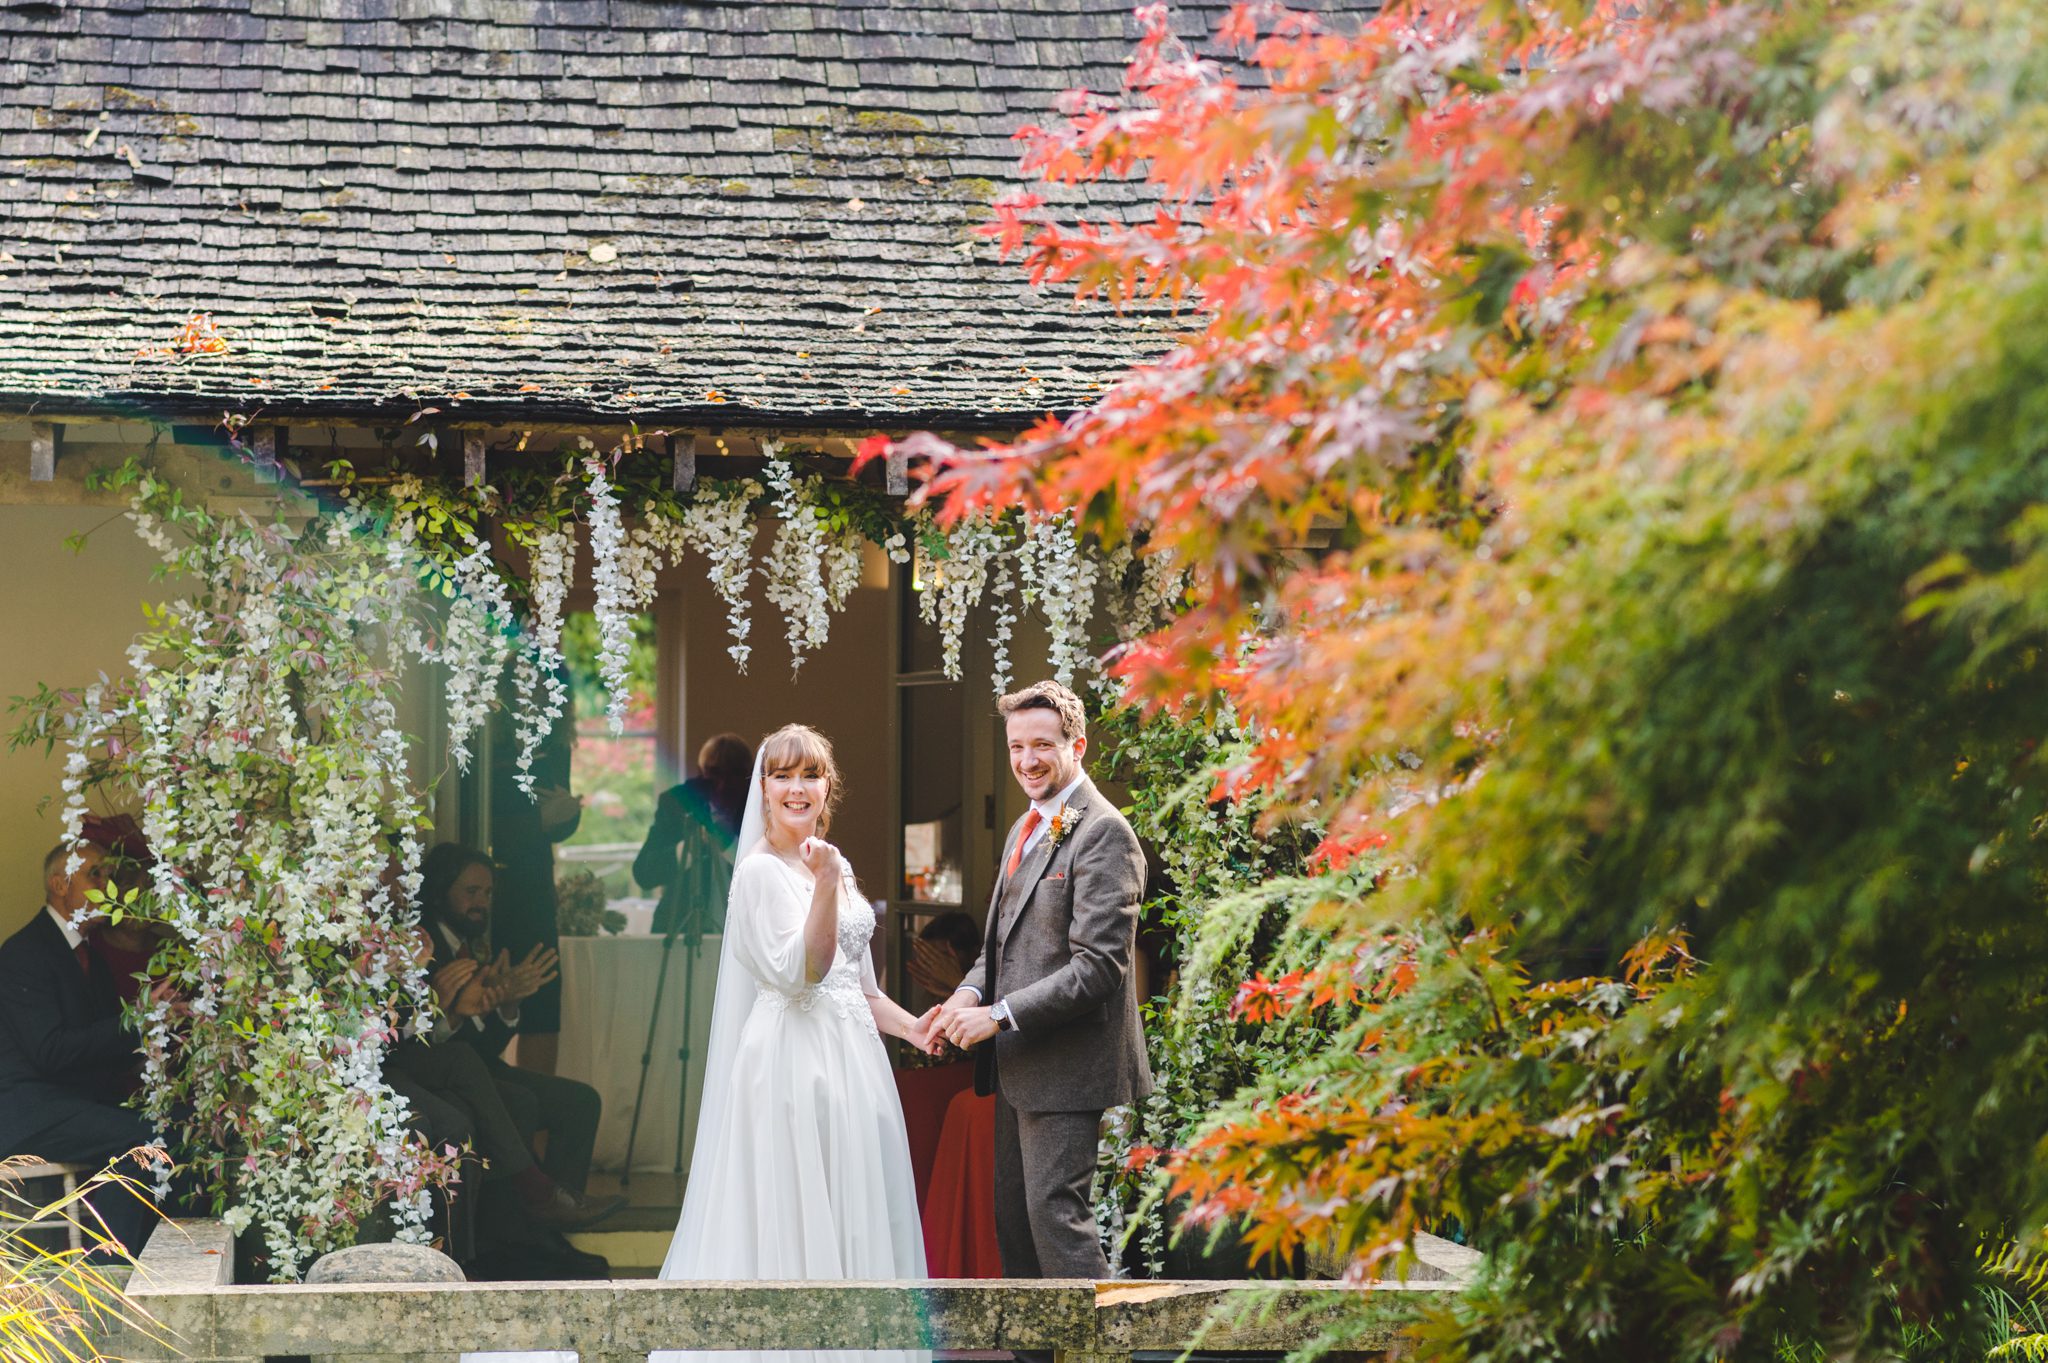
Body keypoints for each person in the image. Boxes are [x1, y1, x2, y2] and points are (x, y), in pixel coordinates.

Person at [654, 724, 943, 1363]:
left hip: (854, 1062)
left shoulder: (828, 865)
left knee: (851, 1202)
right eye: (781, 775)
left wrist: (914, 1028)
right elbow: (803, 972)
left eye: (809, 774)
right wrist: (827, 879)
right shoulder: (760, 874)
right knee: (795, 1202)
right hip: (789, 1061)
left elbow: (860, 988)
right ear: (763, 788)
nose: (796, 787)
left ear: (827, 786)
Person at [938, 680, 1153, 1288]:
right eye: (1015, 747)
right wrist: (966, 996)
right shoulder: (1025, 826)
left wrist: (1000, 1015)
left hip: (1067, 1069)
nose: (1026, 761)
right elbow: (1003, 946)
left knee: (1057, 1222)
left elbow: (1100, 969)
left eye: (1042, 745)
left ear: (1076, 745)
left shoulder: (1104, 833)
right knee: (1018, 1227)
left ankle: (1103, 1357)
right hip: (1018, 1067)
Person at [415, 843, 618, 1223]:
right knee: (520, 1100)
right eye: (471, 892)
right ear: (442, 893)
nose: (482, 903)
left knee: (580, 1101)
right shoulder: (423, 945)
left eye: (488, 893)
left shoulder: (470, 944)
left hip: (475, 1065)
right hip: (436, 1073)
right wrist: (456, 1012)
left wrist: (506, 1005)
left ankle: (559, 1217)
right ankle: (530, 1217)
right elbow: (425, 1042)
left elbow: (486, 1045)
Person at [0, 827, 163, 1259]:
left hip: (71, 1104)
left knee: (173, 1125)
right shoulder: (23, 953)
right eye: (95, 875)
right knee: (139, 1140)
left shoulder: (92, 959)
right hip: (25, 1111)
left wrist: (160, 1033)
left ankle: (142, 1260)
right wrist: (137, 1022)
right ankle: (106, 1271)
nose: (107, 886)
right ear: (60, 885)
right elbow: (51, 1051)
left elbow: (102, 1047)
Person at [488, 709, 581, 1075]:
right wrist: (536, 823)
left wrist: (568, 815)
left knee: (542, 1000)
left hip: (536, 882)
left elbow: (555, 820)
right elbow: (473, 812)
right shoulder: (485, 741)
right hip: (489, 879)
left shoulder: (555, 745)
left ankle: (540, 1107)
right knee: (492, 985)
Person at [634, 733, 752, 938]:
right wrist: (691, 846)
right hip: (681, 928)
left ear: (748, 777)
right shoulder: (678, 804)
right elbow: (645, 873)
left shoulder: (759, 807)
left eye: (733, 775)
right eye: (714, 773)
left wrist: (730, 845)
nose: (723, 784)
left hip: (743, 936)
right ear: (700, 773)